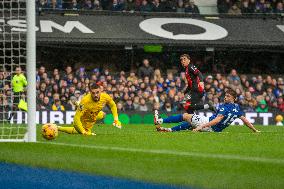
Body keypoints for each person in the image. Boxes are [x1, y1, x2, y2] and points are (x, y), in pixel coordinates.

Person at [154, 89, 260, 133]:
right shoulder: (237, 108)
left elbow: (217, 120)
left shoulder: (225, 107)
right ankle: (167, 130)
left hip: (209, 124)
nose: (225, 98)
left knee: (186, 115)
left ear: (234, 98)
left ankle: (159, 121)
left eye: (228, 96)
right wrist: (254, 130)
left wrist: (201, 126)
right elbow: (245, 120)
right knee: (190, 123)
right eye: (225, 96)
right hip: (215, 129)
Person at [58, 83, 122, 136]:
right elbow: (76, 119)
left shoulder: (105, 96)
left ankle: (77, 103)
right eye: (93, 93)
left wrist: (116, 119)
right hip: (86, 117)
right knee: (80, 131)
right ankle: (59, 128)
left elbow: (113, 105)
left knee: (103, 114)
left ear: (100, 91)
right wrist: (83, 132)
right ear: (90, 92)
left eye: (97, 92)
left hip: (94, 114)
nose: (96, 95)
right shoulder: (85, 101)